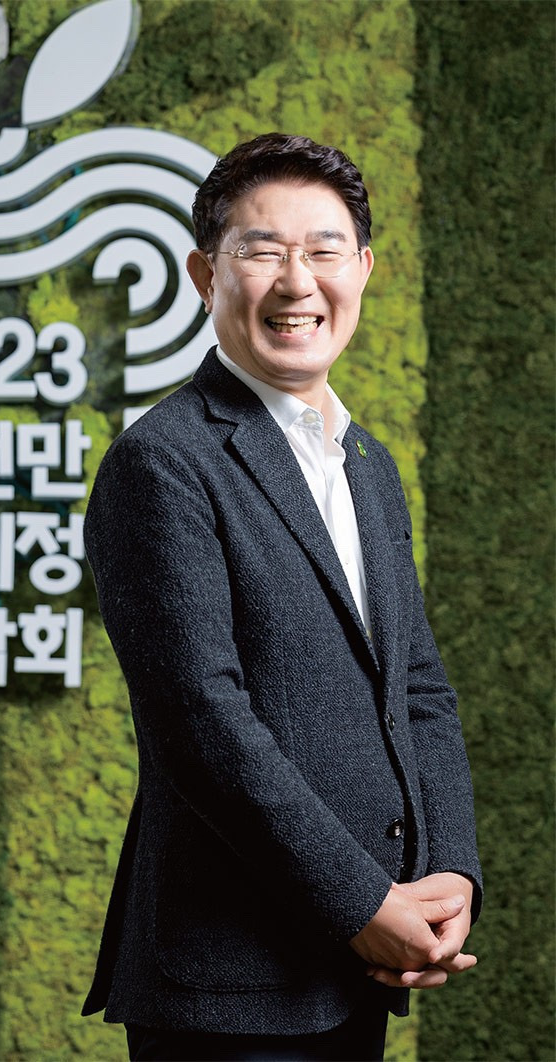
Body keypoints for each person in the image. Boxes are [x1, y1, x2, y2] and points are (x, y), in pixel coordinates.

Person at [80, 133, 482, 1062]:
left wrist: (450, 872)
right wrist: (363, 903)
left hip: (357, 972)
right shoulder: (162, 462)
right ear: (204, 275)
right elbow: (201, 724)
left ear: (363, 270)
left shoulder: (367, 464)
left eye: (325, 250)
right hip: (230, 985)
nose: (297, 282)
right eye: (261, 251)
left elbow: (418, 686)